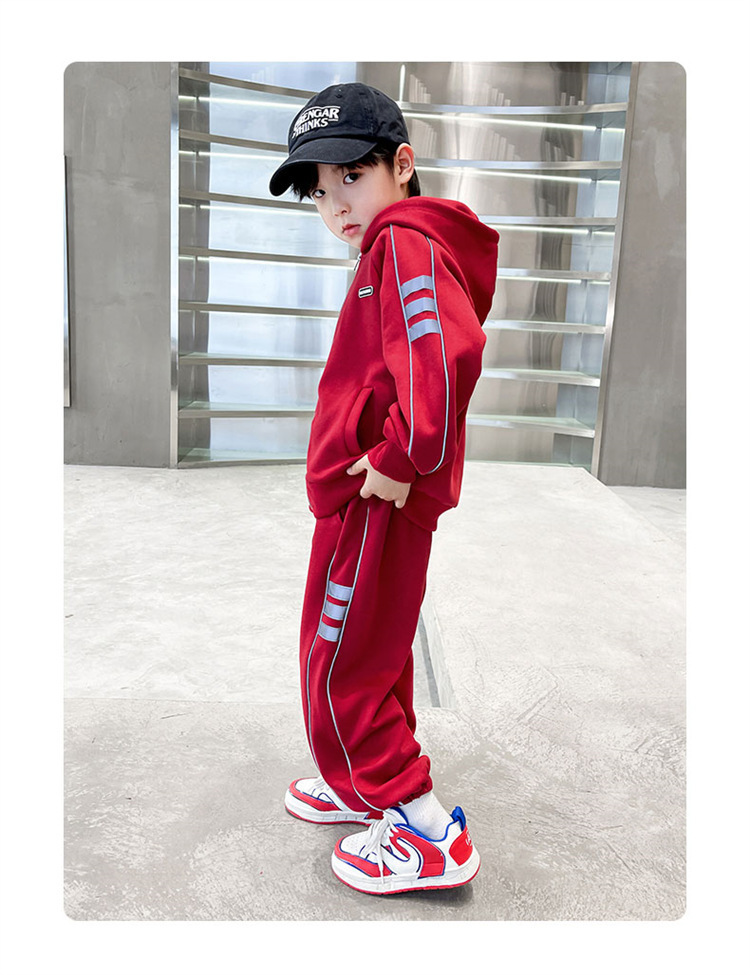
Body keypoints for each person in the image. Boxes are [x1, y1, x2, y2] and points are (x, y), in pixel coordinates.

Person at [268, 82, 499, 895]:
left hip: (376, 497)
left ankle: (420, 827)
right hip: (365, 496)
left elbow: (445, 358)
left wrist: (401, 456)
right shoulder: (390, 248)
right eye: (318, 191)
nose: (335, 204)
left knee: (341, 663)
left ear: (402, 165)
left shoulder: (404, 243)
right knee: (377, 649)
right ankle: (363, 781)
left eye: (351, 176)